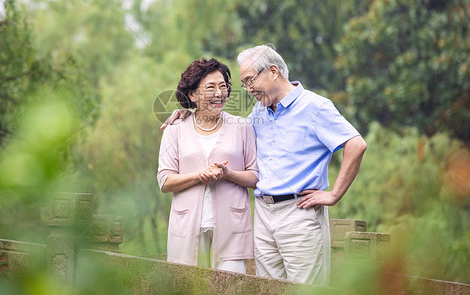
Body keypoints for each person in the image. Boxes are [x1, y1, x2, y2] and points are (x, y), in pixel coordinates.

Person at [161, 45, 367, 286]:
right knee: (268, 289)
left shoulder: (315, 107)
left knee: (305, 290)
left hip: (299, 212)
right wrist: (186, 112)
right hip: (263, 216)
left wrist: (334, 195)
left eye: (250, 81)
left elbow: (356, 144)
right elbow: (226, 129)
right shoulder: (259, 113)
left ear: (272, 71)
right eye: (243, 83)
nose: (248, 90)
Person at [157, 57, 258, 273]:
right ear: (192, 94)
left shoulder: (242, 127)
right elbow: (165, 181)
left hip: (232, 225)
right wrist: (199, 175)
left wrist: (228, 174)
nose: (219, 93)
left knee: (231, 286)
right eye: (210, 87)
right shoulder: (175, 129)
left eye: (223, 86)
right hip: (187, 226)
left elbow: (255, 177)